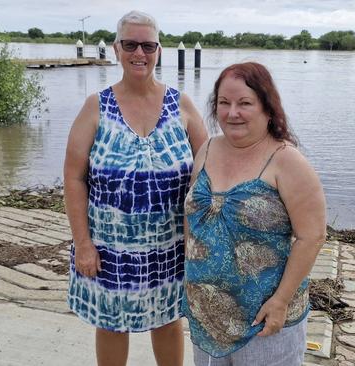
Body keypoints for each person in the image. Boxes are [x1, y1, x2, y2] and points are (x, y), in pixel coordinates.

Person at [64, 10, 207, 366]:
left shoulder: (182, 105)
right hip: (110, 247)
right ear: (116, 49)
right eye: (130, 44)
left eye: (148, 45)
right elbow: (73, 177)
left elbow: (210, 170)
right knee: (112, 324)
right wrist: (83, 243)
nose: (139, 53)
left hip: (170, 247)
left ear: (159, 50)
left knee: (168, 321)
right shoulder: (96, 106)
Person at [182, 62, 327, 365]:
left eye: (244, 103)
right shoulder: (207, 149)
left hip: (263, 319)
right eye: (224, 103)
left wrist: (281, 301)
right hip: (208, 314)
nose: (232, 112)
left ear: (267, 108)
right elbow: (194, 217)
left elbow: (311, 236)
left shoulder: (287, 161)